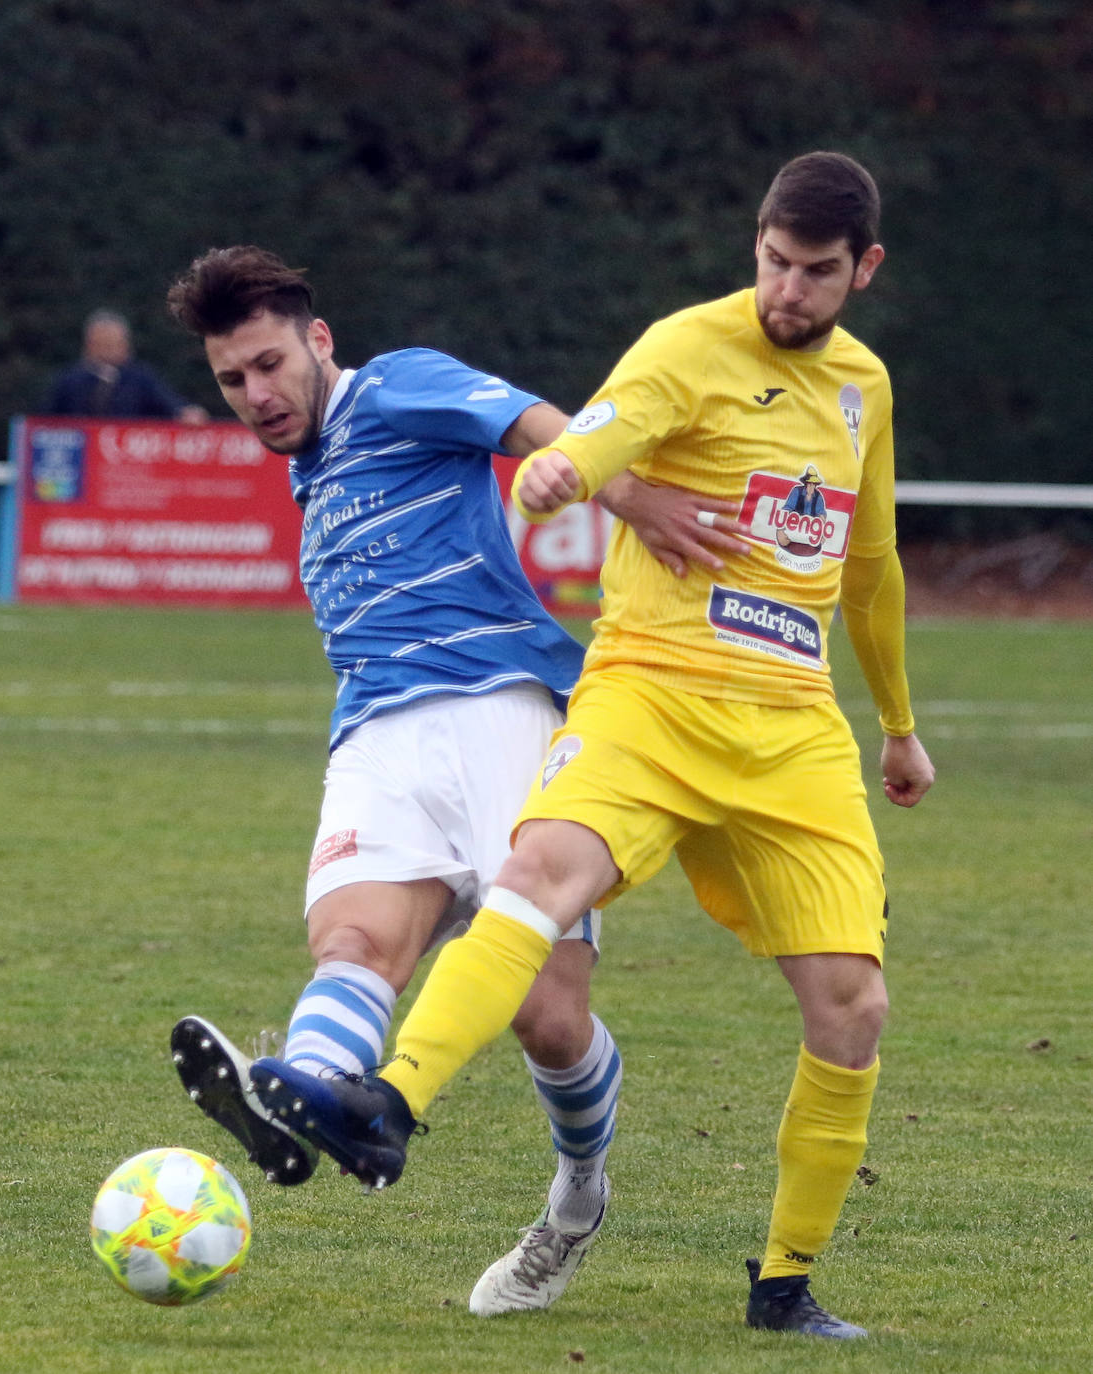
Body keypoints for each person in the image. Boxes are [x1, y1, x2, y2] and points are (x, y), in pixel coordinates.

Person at [248, 152, 937, 1339]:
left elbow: (868, 569)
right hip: (648, 694)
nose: (786, 290)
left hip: (791, 729)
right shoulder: (683, 346)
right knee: (536, 877)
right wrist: (561, 476)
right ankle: (388, 1104)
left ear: (861, 269)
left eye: (814, 272)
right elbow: (593, 442)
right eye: (772, 261)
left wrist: (898, 727)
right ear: (755, 241)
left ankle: (783, 1286)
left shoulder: (860, 388)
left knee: (851, 1008)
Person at [163, 245, 748, 1315]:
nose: (255, 394)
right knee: (351, 942)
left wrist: (633, 497)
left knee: (548, 1018)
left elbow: (537, 427)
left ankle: (577, 1197)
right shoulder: (307, 465)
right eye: (231, 379)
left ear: (318, 340)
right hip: (373, 734)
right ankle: (307, 1095)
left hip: (501, 706)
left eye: (268, 365)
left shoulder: (396, 385)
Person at [44, 309, 209, 422]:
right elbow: (45, 420)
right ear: (88, 345)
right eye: (102, 344)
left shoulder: (140, 379)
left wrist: (187, 413)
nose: (108, 351)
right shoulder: (70, 380)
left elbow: (169, 404)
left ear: (126, 345)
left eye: (113, 344)